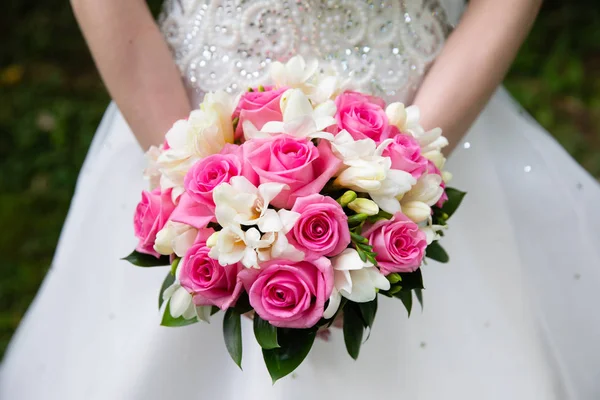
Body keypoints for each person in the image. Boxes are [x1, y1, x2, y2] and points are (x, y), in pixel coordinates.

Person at [2, 0, 599, 399]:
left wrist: (396, 177)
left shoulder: (409, 160)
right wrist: (194, 180)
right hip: (179, 115)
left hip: (429, 117)